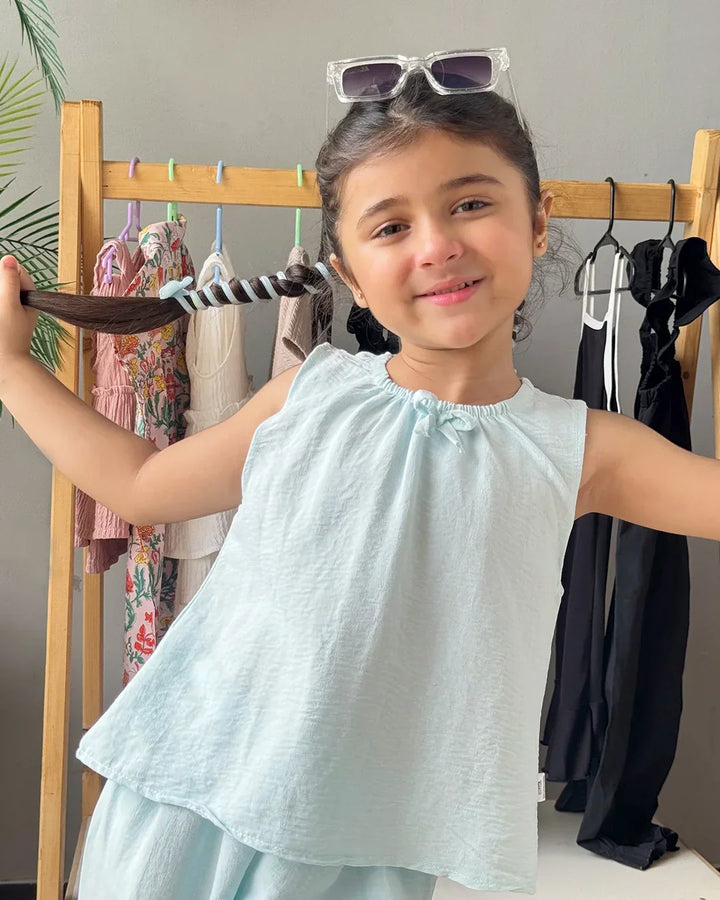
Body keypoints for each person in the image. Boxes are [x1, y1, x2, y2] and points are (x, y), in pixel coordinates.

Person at [1, 67, 718, 900]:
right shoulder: (308, 393)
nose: (436, 244)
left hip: (372, 848)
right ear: (345, 271)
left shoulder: (582, 449)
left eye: (471, 204)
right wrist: (10, 366)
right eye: (390, 225)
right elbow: (141, 483)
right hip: (184, 798)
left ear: (538, 221)